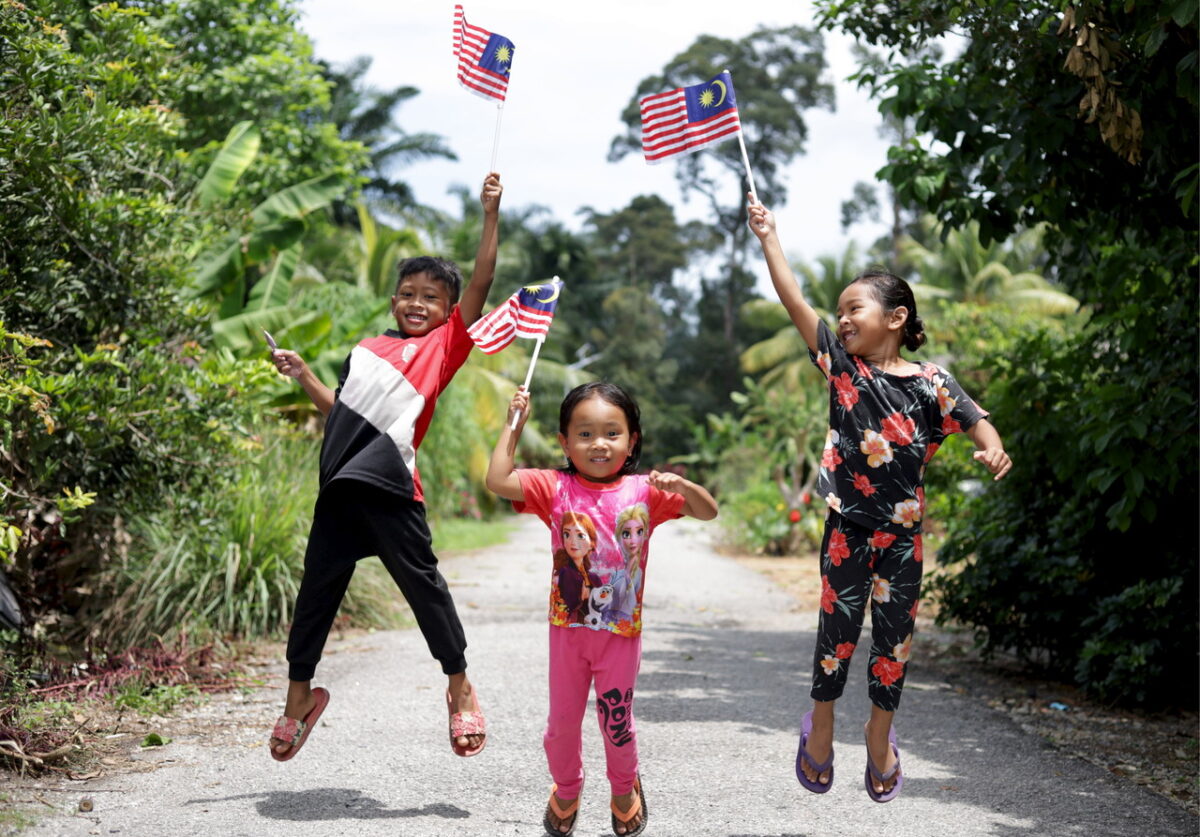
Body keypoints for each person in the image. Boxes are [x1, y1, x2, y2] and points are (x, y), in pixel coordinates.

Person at [748, 197, 1012, 803]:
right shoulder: (843, 370)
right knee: (834, 634)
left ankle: (878, 732)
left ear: (895, 317)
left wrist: (993, 449)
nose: (841, 319)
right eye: (838, 311)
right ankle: (820, 725)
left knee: (894, 642)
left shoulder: (933, 381)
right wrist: (770, 240)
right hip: (847, 528)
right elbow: (794, 300)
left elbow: (978, 422)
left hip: (903, 539)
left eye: (853, 308)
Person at [265, 172, 504, 762]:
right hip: (340, 490)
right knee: (314, 596)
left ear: (449, 312)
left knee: (426, 593)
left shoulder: (445, 347)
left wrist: (490, 214)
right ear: (392, 299)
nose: (417, 303)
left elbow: (482, 279)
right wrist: (305, 377)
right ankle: (299, 699)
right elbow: (342, 413)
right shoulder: (367, 350)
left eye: (432, 297)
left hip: (393, 490)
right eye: (408, 293)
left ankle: (459, 685)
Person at [486, 382, 718, 837]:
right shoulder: (553, 486)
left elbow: (707, 512)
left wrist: (684, 486)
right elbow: (497, 480)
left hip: (620, 637)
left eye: (612, 432)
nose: (599, 444)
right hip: (567, 633)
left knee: (617, 721)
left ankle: (623, 787)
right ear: (565, 443)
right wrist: (513, 426)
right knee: (561, 726)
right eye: (585, 433)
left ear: (632, 441)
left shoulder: (644, 490)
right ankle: (568, 785)